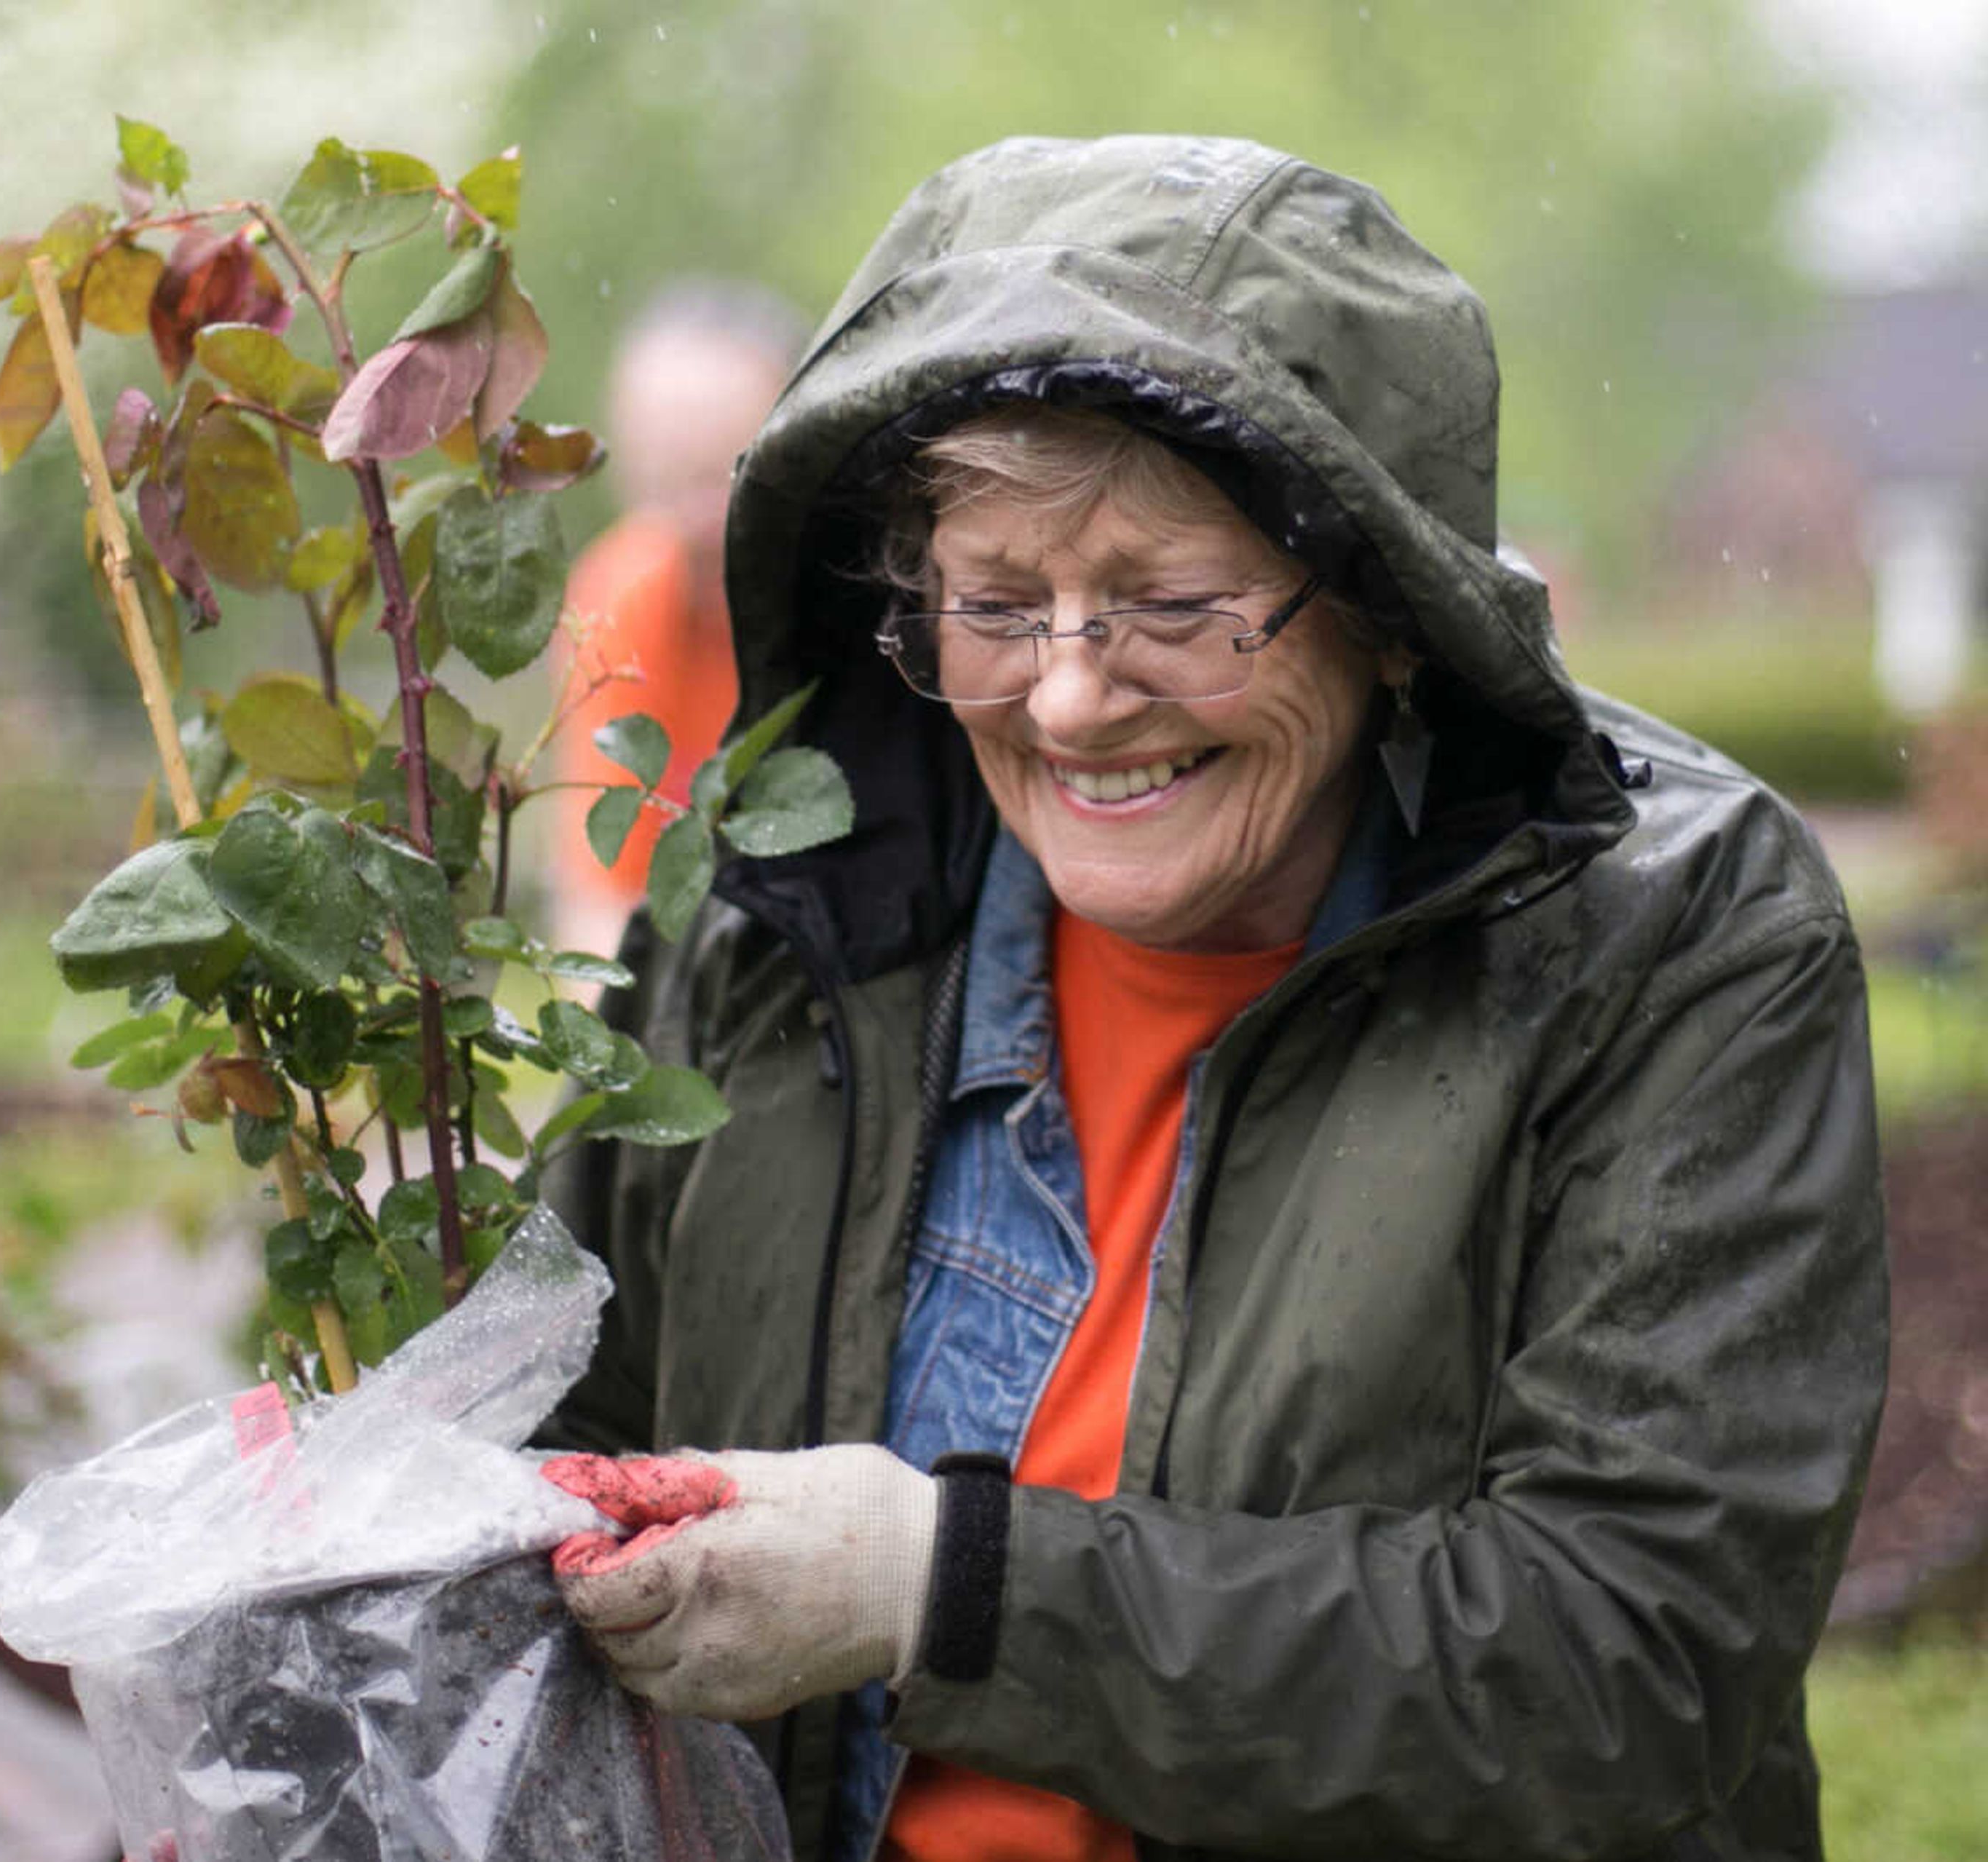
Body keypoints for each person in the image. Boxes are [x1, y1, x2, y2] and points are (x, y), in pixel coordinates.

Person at [536, 135, 1888, 1862]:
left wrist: (938, 1589)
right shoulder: (782, 907)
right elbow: (562, 1424)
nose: (1075, 697)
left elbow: (1626, 1657)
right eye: (994, 605)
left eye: (1173, 604)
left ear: (1389, 612)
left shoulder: (1669, 935)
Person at [547, 280, 804, 954]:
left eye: (727, 476)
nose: (699, 518)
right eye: (668, 479)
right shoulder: (623, 597)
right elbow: (602, 894)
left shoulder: (854, 596)